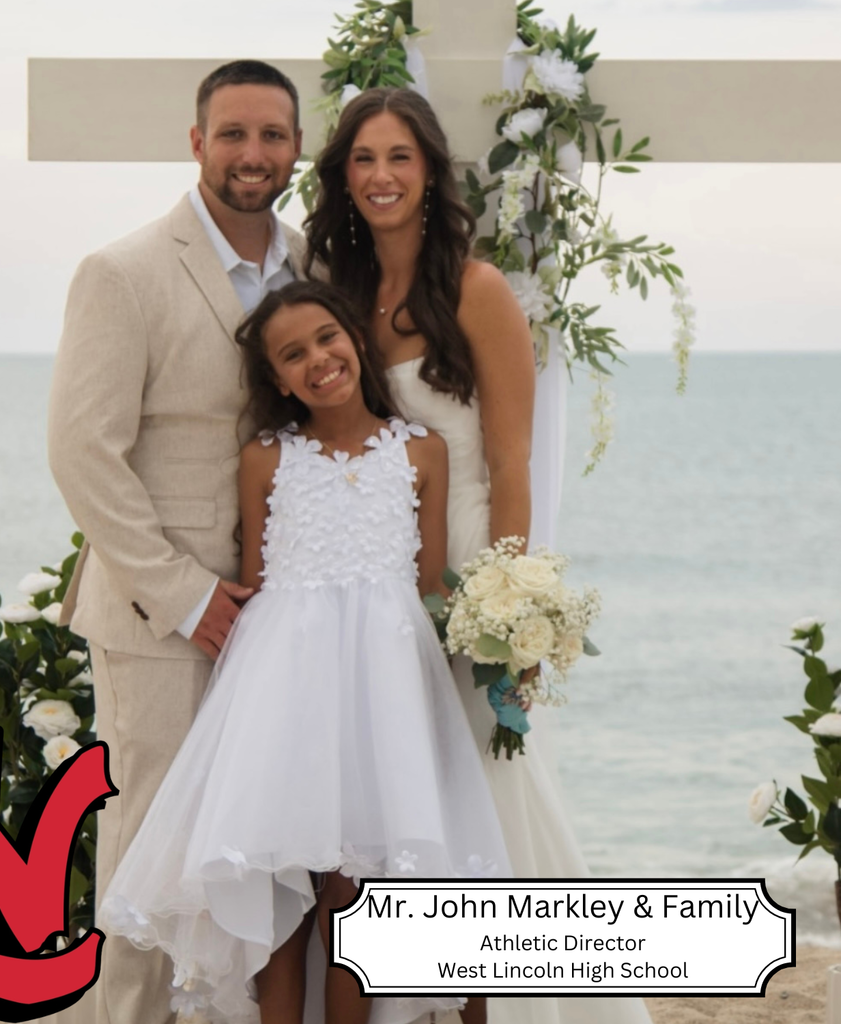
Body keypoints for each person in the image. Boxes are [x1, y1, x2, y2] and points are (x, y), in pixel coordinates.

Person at [305, 87, 653, 1024]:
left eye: (399, 158)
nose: (380, 176)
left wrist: (506, 602)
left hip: (462, 571)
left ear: (429, 175)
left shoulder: (478, 290)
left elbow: (510, 459)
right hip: (368, 576)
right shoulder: (331, 291)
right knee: (379, 805)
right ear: (342, 176)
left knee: (480, 786)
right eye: (363, 159)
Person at [97, 280, 512, 1024]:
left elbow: (428, 588)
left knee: (355, 895)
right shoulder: (265, 458)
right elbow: (259, 581)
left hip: (385, 686)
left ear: (354, 336)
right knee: (277, 890)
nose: (318, 360)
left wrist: (498, 641)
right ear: (277, 379)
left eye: (327, 338)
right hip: (284, 689)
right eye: (293, 355)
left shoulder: (423, 451)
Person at [47, 60, 306, 1024]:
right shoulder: (123, 272)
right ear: (197, 142)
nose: (252, 153)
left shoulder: (310, 261)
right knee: (150, 841)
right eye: (232, 133)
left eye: (271, 135)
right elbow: (84, 454)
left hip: (283, 609)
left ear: (295, 149)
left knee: (265, 837)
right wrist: (187, 596)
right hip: (163, 617)